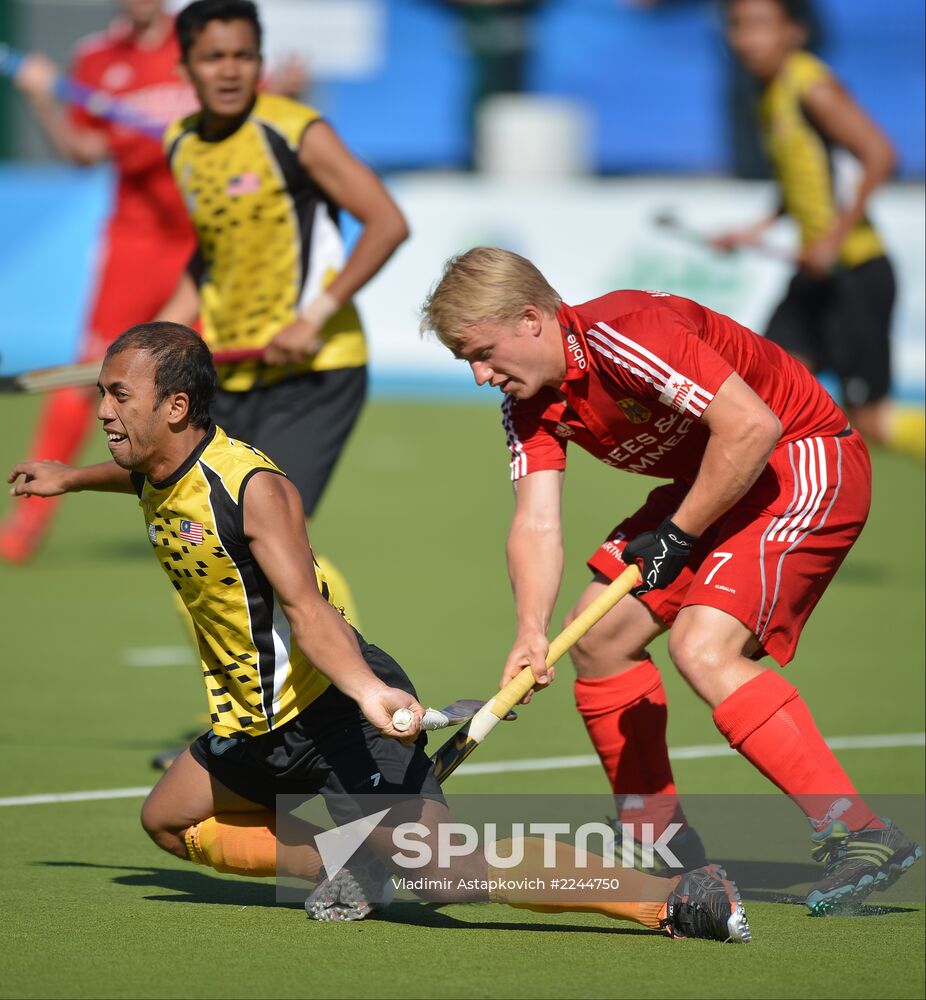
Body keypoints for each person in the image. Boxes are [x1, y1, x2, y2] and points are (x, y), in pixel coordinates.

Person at [6, 322, 752, 942]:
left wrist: (369, 695)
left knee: (444, 874)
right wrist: (68, 479)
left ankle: (671, 896)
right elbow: (141, 477)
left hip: (335, 705)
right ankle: (352, 863)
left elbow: (310, 613)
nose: (102, 409)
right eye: (102, 393)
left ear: (174, 407)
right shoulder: (157, 463)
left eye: (116, 395)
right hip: (257, 718)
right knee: (169, 820)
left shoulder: (252, 490)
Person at [419, 246, 922, 915]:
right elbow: (536, 521)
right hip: (715, 483)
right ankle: (656, 836)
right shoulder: (529, 401)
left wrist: (680, 535)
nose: (481, 375)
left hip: (800, 459)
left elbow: (753, 426)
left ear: (532, 320)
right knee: (598, 641)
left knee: (703, 647)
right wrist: (530, 631)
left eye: (482, 353)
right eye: (467, 361)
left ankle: (860, 832)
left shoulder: (626, 336)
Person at [0, 0, 197, 564]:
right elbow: (84, 152)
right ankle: (29, 516)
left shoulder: (199, 42)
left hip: (206, 242)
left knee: (224, 377)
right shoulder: (96, 58)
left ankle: (227, 513)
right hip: (135, 247)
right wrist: (41, 95)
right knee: (92, 375)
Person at [712, 0, 924, 461]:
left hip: (857, 274)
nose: (745, 39)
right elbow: (805, 179)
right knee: (765, 387)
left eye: (760, 26)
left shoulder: (812, 86)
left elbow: (881, 155)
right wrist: (755, 229)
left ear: (795, 31)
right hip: (817, 277)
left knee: (870, 421)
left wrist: (832, 239)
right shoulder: (767, 93)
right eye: (737, 26)